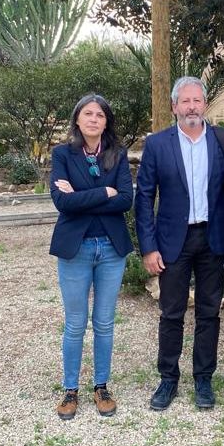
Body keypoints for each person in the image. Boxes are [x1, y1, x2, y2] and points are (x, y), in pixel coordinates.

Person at [135, 77, 224, 411]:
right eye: (186, 101)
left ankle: (204, 378)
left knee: (209, 313)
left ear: (204, 104)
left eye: (197, 100)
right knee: (171, 313)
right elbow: (145, 197)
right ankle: (168, 378)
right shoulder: (157, 144)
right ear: (174, 106)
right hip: (172, 242)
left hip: (213, 238)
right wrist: (148, 247)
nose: (192, 107)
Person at [49, 94, 134, 421]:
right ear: (78, 119)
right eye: (88, 113)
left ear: (106, 121)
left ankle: (101, 386)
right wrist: (103, 193)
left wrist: (82, 196)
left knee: (104, 323)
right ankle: (70, 389)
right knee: (74, 324)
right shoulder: (62, 154)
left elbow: (125, 199)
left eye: (100, 114)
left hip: (111, 249)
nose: (94, 119)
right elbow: (61, 202)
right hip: (76, 248)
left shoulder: (118, 155)